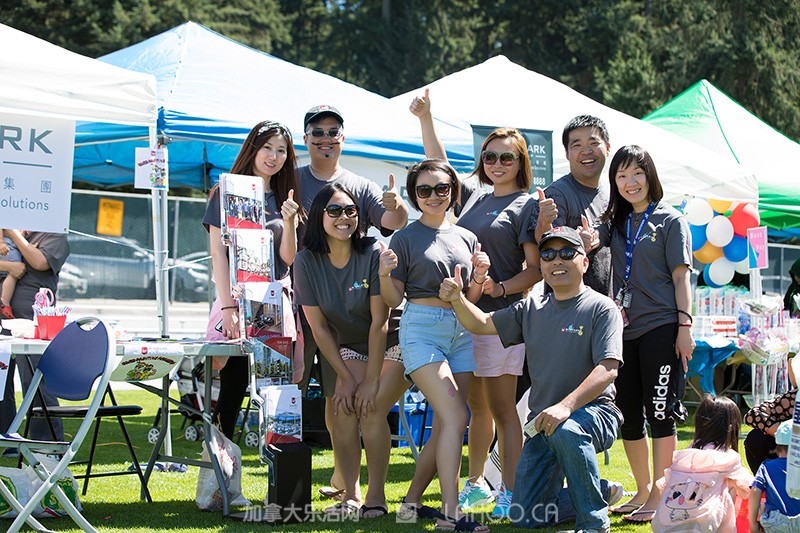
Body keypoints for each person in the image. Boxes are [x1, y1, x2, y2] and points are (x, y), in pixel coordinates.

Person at [439, 225, 624, 532]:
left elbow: (608, 368)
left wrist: (565, 407)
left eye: (567, 253)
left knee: (567, 429)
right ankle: (597, 490)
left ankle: (594, 523)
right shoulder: (531, 308)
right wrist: (458, 299)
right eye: (548, 255)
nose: (557, 261)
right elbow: (481, 323)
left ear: (584, 262)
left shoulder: (601, 308)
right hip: (541, 424)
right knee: (525, 517)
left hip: (595, 413)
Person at [410, 90, 541, 518]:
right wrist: (427, 118)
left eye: (507, 158)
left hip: (501, 319)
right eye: (490, 156)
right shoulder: (477, 198)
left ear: (521, 162)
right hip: (465, 317)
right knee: (477, 408)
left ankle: (512, 492)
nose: (497, 164)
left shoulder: (526, 205)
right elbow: (438, 166)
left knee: (503, 409)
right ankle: (476, 484)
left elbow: (535, 270)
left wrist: (498, 290)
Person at [295, 104, 409, 500]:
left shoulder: (372, 251)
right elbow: (318, 326)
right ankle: (350, 494)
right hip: (349, 345)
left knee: (370, 405)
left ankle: (375, 497)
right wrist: (345, 376)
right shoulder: (306, 261)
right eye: (334, 211)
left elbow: (381, 323)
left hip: (392, 341)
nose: (343, 216)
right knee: (341, 408)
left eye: (350, 211)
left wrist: (371, 380)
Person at [379, 159, 490, 532]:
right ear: (414, 195)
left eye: (441, 188)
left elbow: (471, 298)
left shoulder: (467, 237)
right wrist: (383, 274)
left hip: (462, 331)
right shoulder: (405, 237)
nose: (433, 196)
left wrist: (479, 277)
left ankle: (411, 502)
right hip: (421, 329)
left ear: (452, 191)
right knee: (457, 417)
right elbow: (393, 299)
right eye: (423, 190)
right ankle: (450, 514)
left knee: (447, 422)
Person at [587, 145, 695, 522]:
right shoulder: (617, 222)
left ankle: (661, 496)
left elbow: (681, 278)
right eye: (621, 175)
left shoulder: (670, 220)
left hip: (662, 327)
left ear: (650, 176)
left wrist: (685, 326)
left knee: (660, 412)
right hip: (623, 331)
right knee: (630, 416)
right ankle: (644, 490)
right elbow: (590, 242)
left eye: (637, 173)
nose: (630, 182)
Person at [202, 120, 301, 438]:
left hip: (274, 303)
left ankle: (280, 463)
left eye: (281, 150)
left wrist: (290, 222)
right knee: (233, 387)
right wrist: (228, 308)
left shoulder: (285, 197)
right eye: (267, 148)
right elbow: (218, 255)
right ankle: (218, 464)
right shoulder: (226, 192)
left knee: (276, 389)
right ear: (253, 149)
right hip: (237, 300)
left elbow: (288, 259)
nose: (274, 156)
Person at [529, 115, 613, 297]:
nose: (586, 151)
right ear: (567, 154)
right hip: (566, 305)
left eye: (593, 143)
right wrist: (546, 223)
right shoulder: (557, 193)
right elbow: (544, 241)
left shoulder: (613, 193)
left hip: (605, 302)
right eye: (577, 145)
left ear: (607, 148)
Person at [0, 230, 69, 443]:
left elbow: (39, 262)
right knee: (1, 381)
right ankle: (6, 438)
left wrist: (13, 234)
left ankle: (46, 442)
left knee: (36, 382)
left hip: (33, 324)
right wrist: (9, 266)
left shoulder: (54, 237)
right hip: (4, 318)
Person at [652, 395, 751, 532]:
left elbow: (663, 486)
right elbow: (748, 488)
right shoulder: (727, 458)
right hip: (704, 525)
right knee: (731, 485)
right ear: (731, 428)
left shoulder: (686, 455)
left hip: (663, 524)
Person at [750, 420, 800, 532]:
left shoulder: (767, 467)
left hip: (777, 522)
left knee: (762, 507)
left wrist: (753, 524)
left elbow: (755, 491)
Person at [744, 388, 796, 473]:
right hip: (788, 451)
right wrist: (783, 435)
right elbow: (753, 414)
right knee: (756, 437)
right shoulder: (795, 396)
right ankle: (766, 478)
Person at [0, 228, 22, 319]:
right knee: (13, 273)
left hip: (9, 246)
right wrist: (1, 242)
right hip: (8, 247)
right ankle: (5, 302)